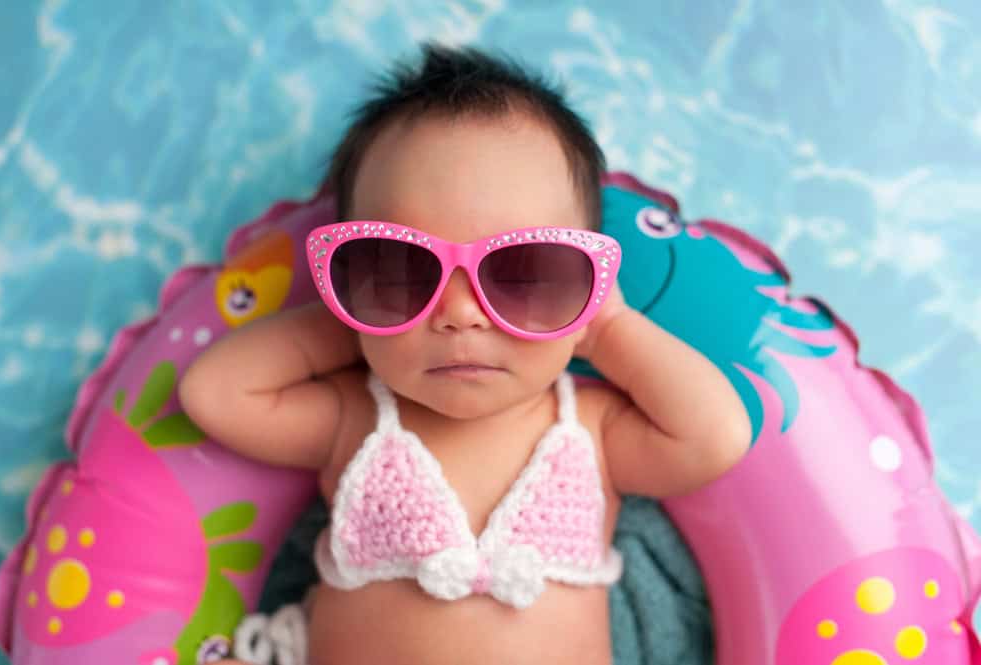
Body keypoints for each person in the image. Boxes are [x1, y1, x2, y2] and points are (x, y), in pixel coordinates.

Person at [180, 42, 751, 665]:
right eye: (397, 269)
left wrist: (608, 327)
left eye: (526, 274)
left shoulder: (591, 432)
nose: (460, 312)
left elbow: (715, 437)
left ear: (585, 284)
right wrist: (366, 316)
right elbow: (215, 394)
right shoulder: (355, 420)